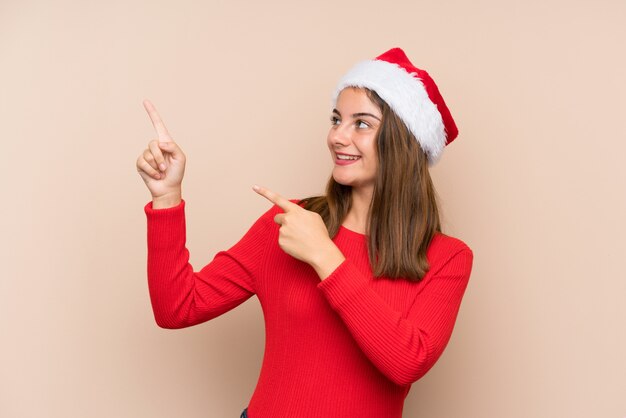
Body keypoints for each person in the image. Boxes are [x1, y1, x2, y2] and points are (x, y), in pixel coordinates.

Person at [136, 47, 474, 418]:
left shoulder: (447, 257)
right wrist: (167, 197)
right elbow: (177, 308)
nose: (337, 137)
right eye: (336, 120)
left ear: (404, 141)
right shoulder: (288, 222)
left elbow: (406, 362)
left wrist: (325, 255)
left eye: (361, 123)